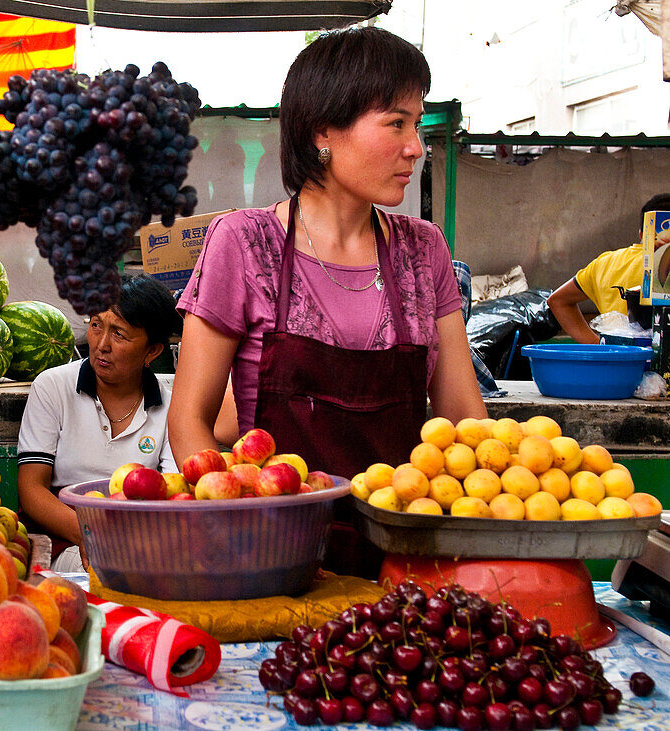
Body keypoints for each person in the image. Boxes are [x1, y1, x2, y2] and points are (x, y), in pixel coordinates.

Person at [169, 28, 486, 573]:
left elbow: (464, 423)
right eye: (396, 123)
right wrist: (236, 535)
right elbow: (189, 422)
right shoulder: (244, 244)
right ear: (323, 132)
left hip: (403, 566)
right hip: (272, 557)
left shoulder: (423, 249)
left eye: (417, 123)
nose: (416, 145)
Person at [17, 274, 181, 571]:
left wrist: (129, 545)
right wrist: (93, 537)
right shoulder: (53, 387)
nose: (101, 344)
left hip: (144, 543)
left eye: (119, 334)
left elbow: (169, 499)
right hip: (68, 541)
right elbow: (32, 490)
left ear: (153, 351)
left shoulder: (171, 408)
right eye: (95, 325)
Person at [548, 193, 670, 344]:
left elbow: (558, 300)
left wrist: (596, 345)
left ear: (641, 233)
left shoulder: (605, 262)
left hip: (614, 362)